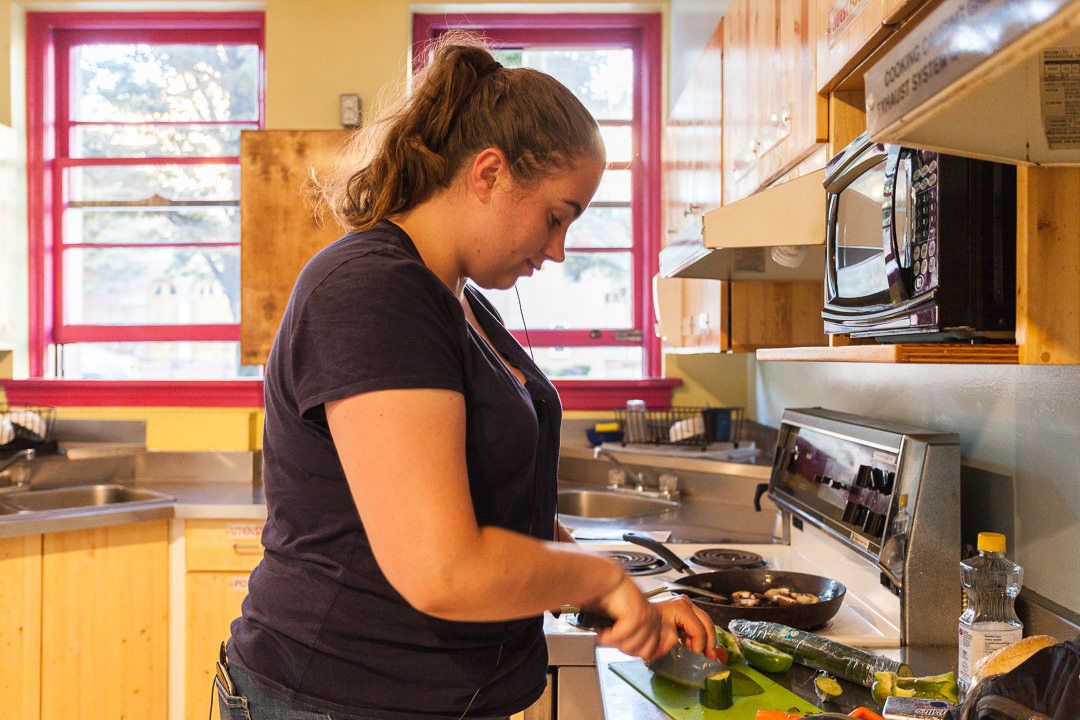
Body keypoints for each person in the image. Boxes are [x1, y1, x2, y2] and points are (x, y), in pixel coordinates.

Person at [222, 35, 716, 720]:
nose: (558, 250)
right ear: (488, 173)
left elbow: (499, 512)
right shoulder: (372, 292)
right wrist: (601, 577)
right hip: (334, 697)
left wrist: (616, 599)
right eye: (555, 216)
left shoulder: (455, 299)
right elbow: (442, 568)